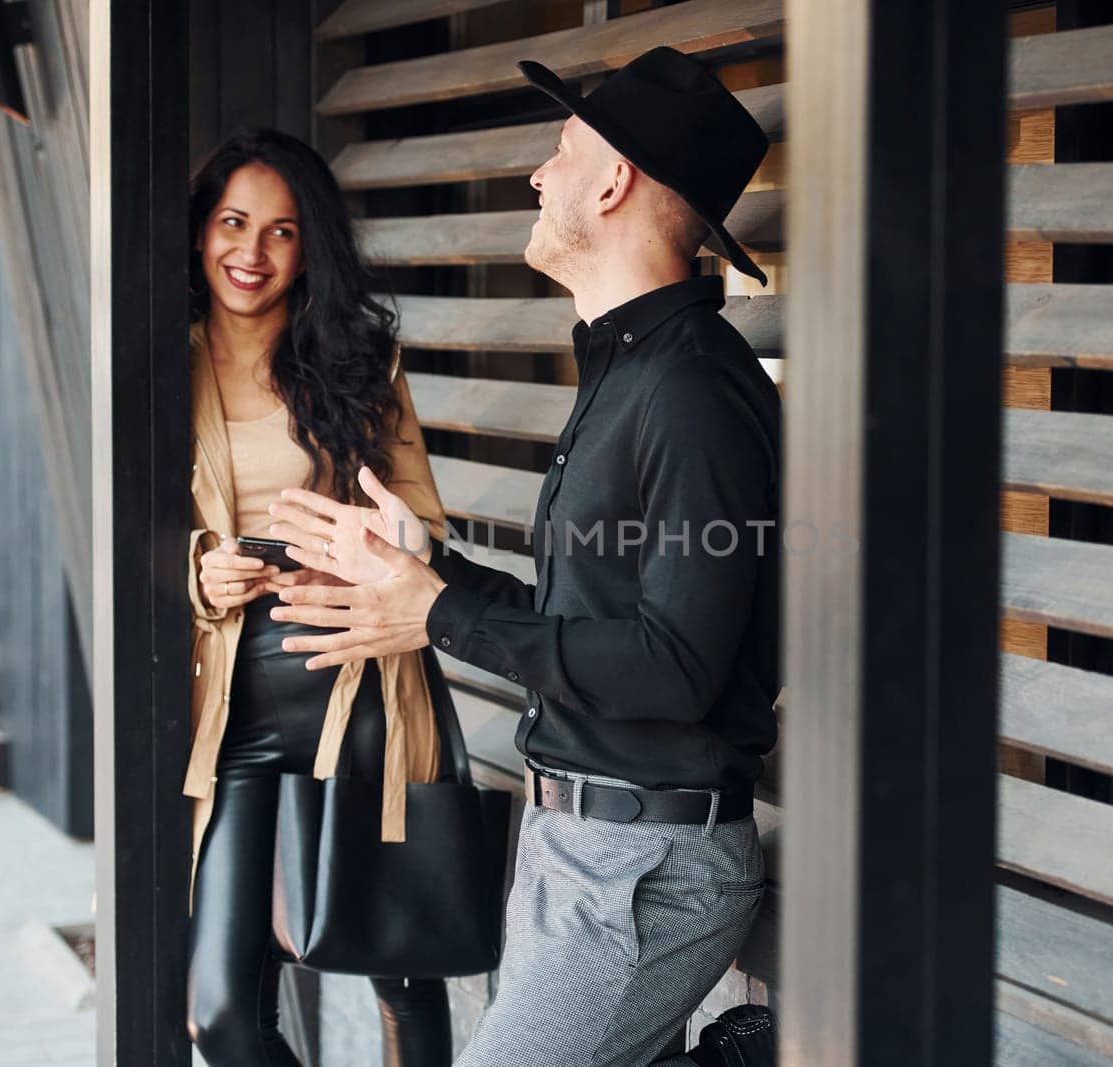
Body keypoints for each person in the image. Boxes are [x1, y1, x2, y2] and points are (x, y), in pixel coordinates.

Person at [265, 49, 780, 1067]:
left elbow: (675, 667)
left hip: (643, 863)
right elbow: (590, 621)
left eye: (558, 151)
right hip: (574, 844)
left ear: (614, 179)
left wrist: (438, 614)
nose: (538, 177)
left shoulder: (690, 393)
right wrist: (427, 573)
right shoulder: (629, 368)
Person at [184, 129, 455, 1066]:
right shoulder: (160, 366)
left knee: (404, 976)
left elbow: (425, 524)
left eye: (281, 231)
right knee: (220, 1012)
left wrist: (363, 553)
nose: (250, 253)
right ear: (199, 229)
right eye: (232, 222)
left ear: (312, 248)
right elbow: (129, 532)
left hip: (363, 688)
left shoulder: (358, 362)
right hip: (235, 711)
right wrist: (202, 570)